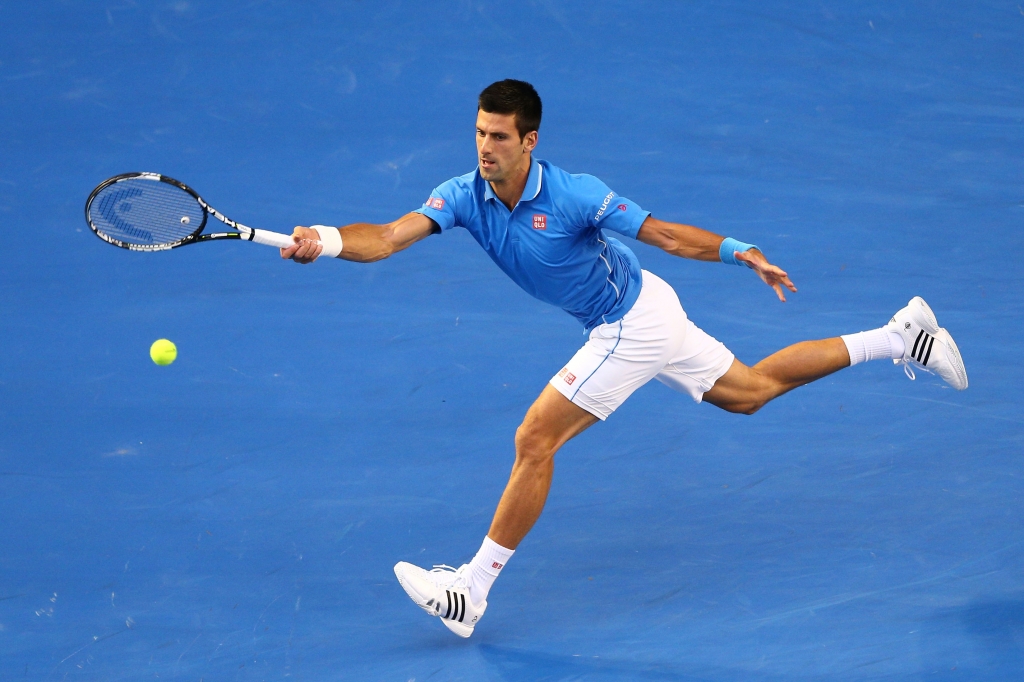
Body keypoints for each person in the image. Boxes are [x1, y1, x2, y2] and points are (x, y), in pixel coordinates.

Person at [281, 79, 967, 638]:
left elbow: (663, 232)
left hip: (630, 324)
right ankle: (900, 335)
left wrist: (738, 250)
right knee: (750, 390)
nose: (484, 148)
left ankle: (472, 589)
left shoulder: (574, 192)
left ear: (529, 141)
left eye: (498, 137)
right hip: (645, 311)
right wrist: (325, 239)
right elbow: (388, 237)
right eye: (479, 133)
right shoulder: (463, 194)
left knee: (535, 439)